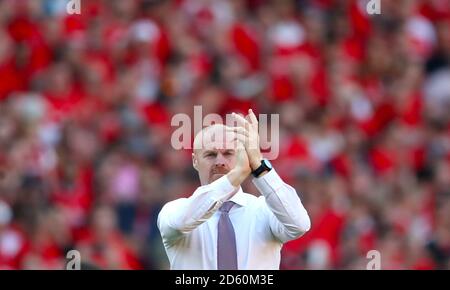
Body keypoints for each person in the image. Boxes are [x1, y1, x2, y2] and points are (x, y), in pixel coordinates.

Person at [157, 109, 311, 269]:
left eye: (228, 153)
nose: (220, 161)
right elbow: (181, 222)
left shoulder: (263, 210)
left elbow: (299, 225)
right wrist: (237, 173)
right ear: (195, 161)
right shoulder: (175, 210)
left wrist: (258, 164)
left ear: (242, 156)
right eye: (210, 155)